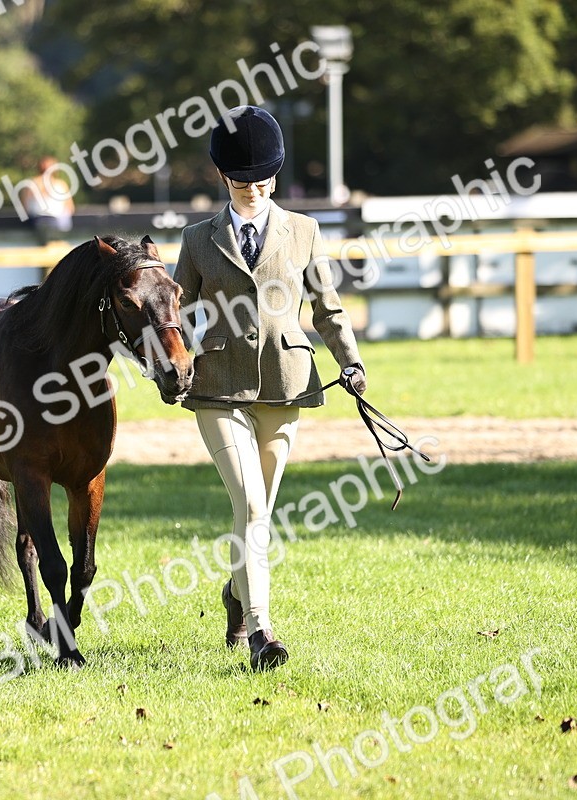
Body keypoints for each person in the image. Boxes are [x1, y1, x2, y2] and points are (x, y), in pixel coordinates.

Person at [173, 106, 367, 672]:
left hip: (285, 384)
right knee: (250, 503)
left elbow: (327, 309)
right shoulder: (197, 239)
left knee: (259, 515)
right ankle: (260, 631)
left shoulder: (303, 231)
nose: (252, 191)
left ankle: (236, 594)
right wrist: (173, 360)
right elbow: (177, 313)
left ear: (274, 178)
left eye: (260, 182)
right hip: (218, 388)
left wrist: (351, 362)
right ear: (223, 180)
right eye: (241, 183)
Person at [21, 156, 74, 244]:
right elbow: (25, 206)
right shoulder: (32, 183)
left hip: (56, 220)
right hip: (40, 220)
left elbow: (70, 207)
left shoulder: (61, 184)